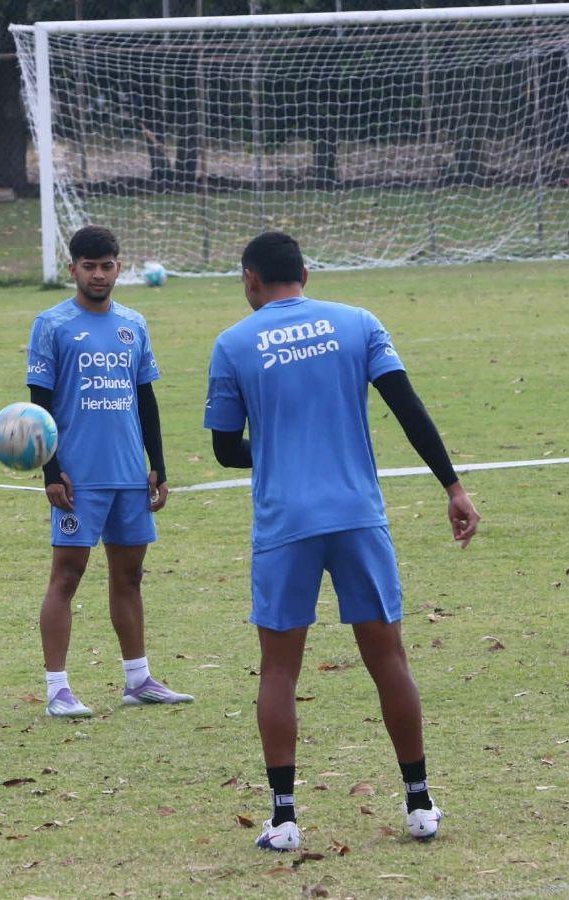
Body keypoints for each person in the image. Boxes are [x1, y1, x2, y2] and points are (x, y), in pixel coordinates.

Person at [204, 231, 480, 850]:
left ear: (250, 279)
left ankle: (283, 818)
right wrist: (453, 487)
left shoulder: (233, 344)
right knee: (389, 659)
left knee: (279, 668)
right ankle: (420, 802)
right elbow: (407, 406)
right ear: (306, 272)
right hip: (358, 516)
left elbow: (225, 449)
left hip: (285, 525)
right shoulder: (358, 324)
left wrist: (275, 447)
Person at [26, 225, 193, 718]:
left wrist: (157, 465)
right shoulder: (52, 324)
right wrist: (51, 472)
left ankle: (138, 680)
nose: (98, 275)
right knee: (67, 575)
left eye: (107, 265)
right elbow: (39, 405)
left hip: (128, 474)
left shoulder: (133, 324)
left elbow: (145, 397)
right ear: (73, 268)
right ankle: (57, 688)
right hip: (80, 477)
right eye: (89, 266)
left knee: (130, 575)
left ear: (119, 267)